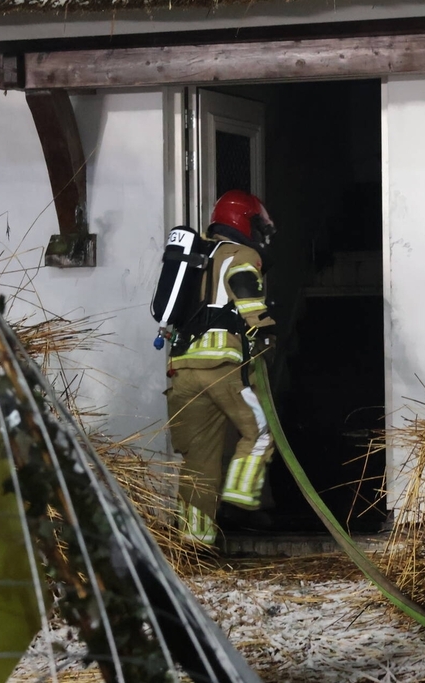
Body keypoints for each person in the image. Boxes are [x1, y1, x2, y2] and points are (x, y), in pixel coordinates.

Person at [166, 190, 277, 548]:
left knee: (199, 461)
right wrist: (262, 324)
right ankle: (241, 499)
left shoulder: (197, 258)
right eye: (258, 226)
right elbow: (244, 286)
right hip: (221, 366)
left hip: (182, 372)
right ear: (243, 221)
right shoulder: (242, 255)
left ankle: (195, 543)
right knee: (260, 432)